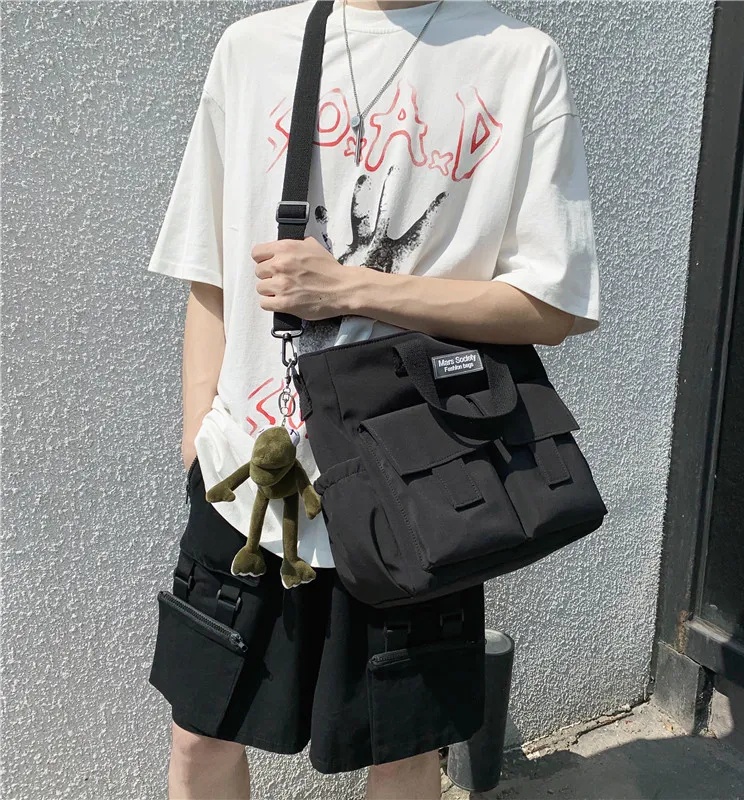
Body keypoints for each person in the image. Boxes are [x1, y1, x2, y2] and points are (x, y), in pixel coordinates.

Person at [146, 0, 601, 797]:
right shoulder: (253, 49)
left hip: (419, 488)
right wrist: (198, 441)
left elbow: (550, 307)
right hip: (251, 476)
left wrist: (352, 288)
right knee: (200, 737)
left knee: (403, 755)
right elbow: (209, 272)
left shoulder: (518, 60)